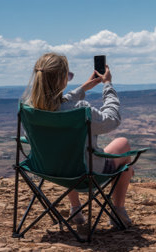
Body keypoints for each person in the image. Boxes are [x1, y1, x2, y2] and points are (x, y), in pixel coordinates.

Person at [23, 52, 134, 226]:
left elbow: (59, 103)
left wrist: (83, 88)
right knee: (123, 144)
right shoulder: (80, 110)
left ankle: (76, 209)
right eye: (68, 75)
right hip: (86, 174)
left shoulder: (30, 109)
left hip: (50, 170)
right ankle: (118, 211)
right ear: (61, 80)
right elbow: (112, 120)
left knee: (67, 153)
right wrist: (107, 86)